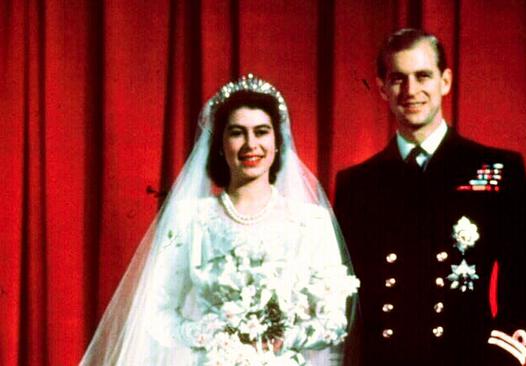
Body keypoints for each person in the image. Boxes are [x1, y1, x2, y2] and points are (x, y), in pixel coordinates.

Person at [81, 74, 358, 365]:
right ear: (220, 144)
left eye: (262, 132)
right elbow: (156, 311)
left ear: (277, 142)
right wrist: (208, 334)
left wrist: (284, 337)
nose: (251, 144)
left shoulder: (311, 221)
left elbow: (333, 318)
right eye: (237, 132)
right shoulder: (189, 218)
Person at [334, 29, 526, 365]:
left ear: (445, 81)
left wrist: (502, 357)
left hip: (467, 359)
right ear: (382, 88)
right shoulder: (357, 184)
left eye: (423, 76)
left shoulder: (497, 170)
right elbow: (346, 291)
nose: (411, 91)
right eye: (398, 78)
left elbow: (521, 276)